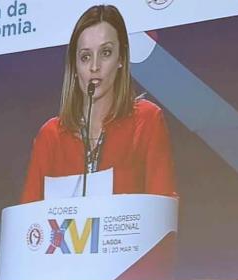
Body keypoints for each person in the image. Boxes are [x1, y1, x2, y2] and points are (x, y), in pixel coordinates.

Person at [21, 5, 176, 203]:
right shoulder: (50, 136)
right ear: (75, 66)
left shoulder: (147, 120)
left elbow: (162, 208)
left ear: (121, 59)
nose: (95, 66)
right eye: (85, 57)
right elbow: (28, 215)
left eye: (106, 53)